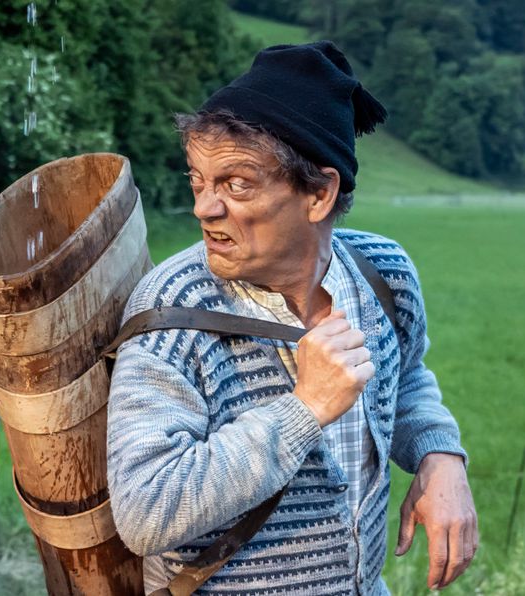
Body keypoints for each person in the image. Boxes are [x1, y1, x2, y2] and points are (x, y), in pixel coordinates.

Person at [106, 42, 477, 594]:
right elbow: (145, 511)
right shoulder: (173, 312)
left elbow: (407, 381)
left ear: (320, 194)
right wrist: (304, 409)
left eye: (236, 183)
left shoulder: (383, 274)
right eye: (198, 179)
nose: (203, 208)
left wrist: (440, 453)